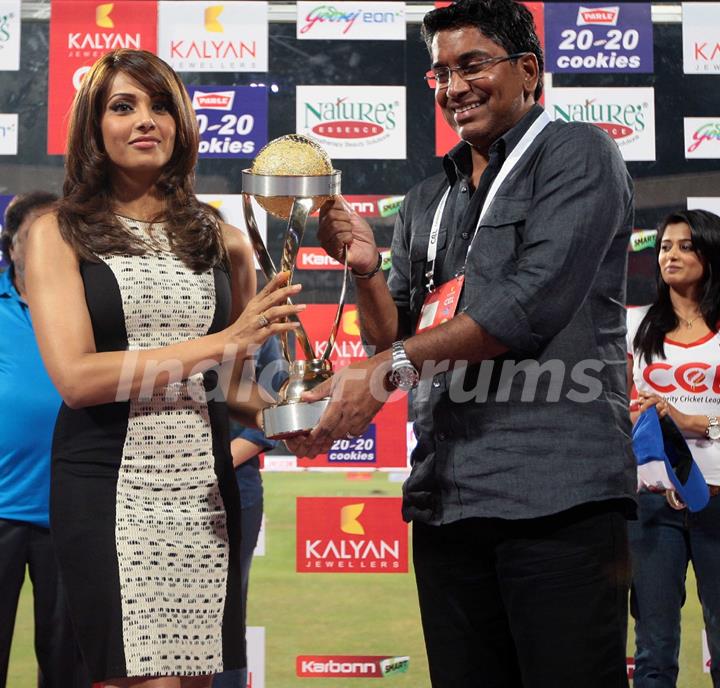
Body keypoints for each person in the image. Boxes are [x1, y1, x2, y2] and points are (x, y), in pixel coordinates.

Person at [298, 0, 637, 685]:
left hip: (557, 500)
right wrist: (365, 271)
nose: (453, 87)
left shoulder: (578, 155)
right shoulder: (428, 197)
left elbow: (527, 306)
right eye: (440, 73)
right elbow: (390, 331)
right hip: (448, 502)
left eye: (472, 64)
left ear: (529, 70)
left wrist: (384, 372)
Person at [24, 49, 304, 688]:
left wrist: (298, 411)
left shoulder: (223, 238)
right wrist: (222, 341)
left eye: (159, 106)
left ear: (181, 124)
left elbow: (232, 387)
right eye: (122, 107)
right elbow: (78, 378)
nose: (144, 121)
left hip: (202, 494)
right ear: (94, 128)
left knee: (193, 680)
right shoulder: (58, 233)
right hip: (108, 488)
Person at [0, 192, 90, 688]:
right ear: (10, 245)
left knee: (66, 666)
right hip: (1, 509)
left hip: (71, 513)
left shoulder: (89, 306)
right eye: (31, 236)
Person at [627, 209, 720, 688]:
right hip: (651, 505)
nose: (672, 255)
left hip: (717, 500)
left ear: (709, 253)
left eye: (686, 245)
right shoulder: (635, 328)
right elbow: (614, 406)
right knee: (653, 652)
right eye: (665, 246)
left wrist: (691, 421)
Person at [213, 337, 286, 688]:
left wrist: (208, 467)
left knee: (226, 620)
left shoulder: (262, 331)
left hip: (234, 493)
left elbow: (271, 418)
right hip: (159, 488)